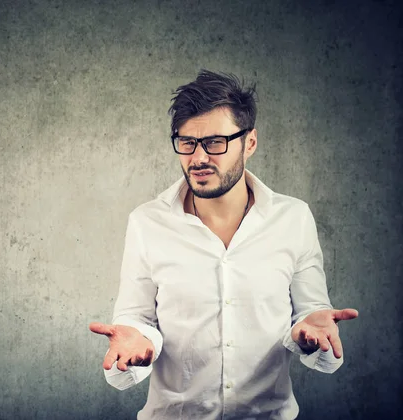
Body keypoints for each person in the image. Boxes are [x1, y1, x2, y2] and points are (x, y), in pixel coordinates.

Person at [89, 69, 358, 419]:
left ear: (250, 143)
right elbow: (134, 323)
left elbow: (315, 322)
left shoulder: (294, 219)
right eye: (187, 142)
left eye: (215, 142)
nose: (198, 158)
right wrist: (136, 345)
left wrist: (313, 334)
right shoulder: (147, 223)